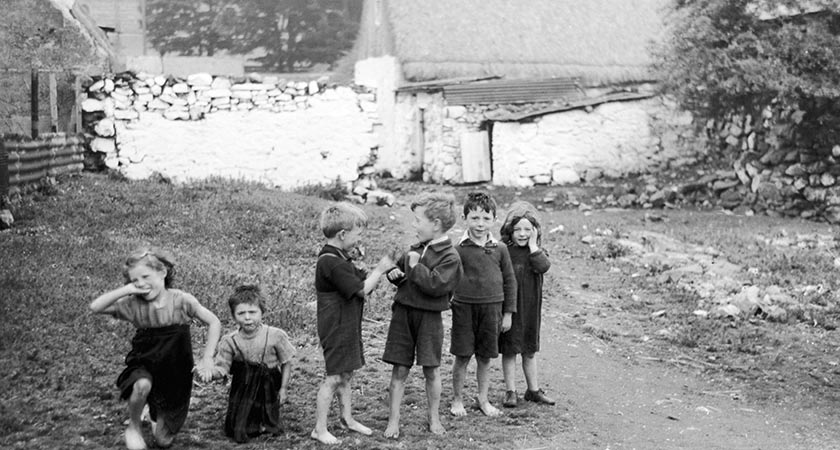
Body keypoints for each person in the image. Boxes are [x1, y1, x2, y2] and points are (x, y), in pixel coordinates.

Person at [90, 246, 221, 450]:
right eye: (135, 280)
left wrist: (207, 358)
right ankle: (133, 427)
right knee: (141, 385)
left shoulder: (181, 300)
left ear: (162, 272)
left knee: (163, 441)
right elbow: (95, 307)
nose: (141, 283)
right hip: (145, 358)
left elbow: (214, 322)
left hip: (176, 365)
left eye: (145, 276)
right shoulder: (132, 304)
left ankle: (153, 412)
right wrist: (127, 290)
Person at [311, 203, 393, 445]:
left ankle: (347, 418)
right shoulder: (331, 261)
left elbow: (359, 279)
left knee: (346, 373)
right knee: (334, 377)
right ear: (342, 235)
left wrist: (367, 270)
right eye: (358, 234)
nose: (360, 240)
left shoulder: (339, 256)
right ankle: (319, 428)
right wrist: (381, 269)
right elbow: (362, 289)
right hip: (336, 326)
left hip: (347, 323)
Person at [382, 193, 463, 438]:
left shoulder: (450, 256)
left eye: (418, 220)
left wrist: (416, 267)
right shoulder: (414, 249)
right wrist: (394, 273)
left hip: (429, 319)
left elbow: (437, 285)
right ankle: (393, 421)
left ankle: (434, 418)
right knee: (399, 369)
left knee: (432, 369)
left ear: (436, 224)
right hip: (403, 315)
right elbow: (397, 268)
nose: (414, 225)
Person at [449, 192, 517, 418]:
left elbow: (509, 281)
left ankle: (483, 399)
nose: (480, 224)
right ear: (464, 217)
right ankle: (457, 399)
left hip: (492, 310)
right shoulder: (457, 248)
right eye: (475, 218)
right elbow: (448, 277)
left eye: (486, 219)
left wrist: (508, 314)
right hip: (464, 309)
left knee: (485, 357)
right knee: (462, 355)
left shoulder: (500, 249)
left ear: (494, 220)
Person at [211, 285, 296, 443]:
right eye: (241, 313)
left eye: (252, 312)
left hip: (269, 384)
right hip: (243, 386)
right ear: (234, 316)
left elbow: (286, 362)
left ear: (262, 312)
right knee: (236, 428)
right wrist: (210, 373)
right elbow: (222, 368)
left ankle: (266, 421)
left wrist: (283, 388)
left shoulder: (275, 335)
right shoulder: (229, 341)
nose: (247, 318)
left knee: (269, 417)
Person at [498, 201, 555, 407]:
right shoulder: (503, 251)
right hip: (511, 309)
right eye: (517, 229)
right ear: (509, 231)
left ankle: (533, 390)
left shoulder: (537, 252)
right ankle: (510, 391)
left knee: (529, 350)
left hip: (531, 309)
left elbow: (544, 267)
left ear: (535, 231)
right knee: (510, 350)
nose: (522, 234)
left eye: (527, 230)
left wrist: (533, 247)